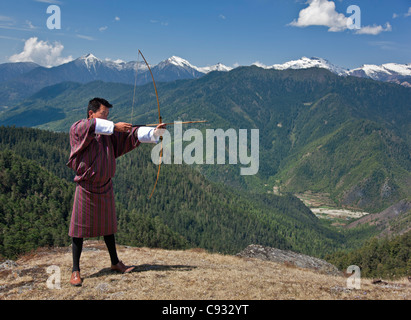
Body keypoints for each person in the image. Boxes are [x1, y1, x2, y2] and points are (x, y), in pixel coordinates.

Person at [66, 97, 165, 286]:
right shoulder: (78, 129)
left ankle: (115, 263)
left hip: (105, 186)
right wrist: (113, 126)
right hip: (86, 186)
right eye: (103, 114)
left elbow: (131, 134)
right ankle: (75, 270)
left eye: (108, 115)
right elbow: (92, 126)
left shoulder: (107, 134)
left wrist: (154, 132)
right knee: (78, 230)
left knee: (108, 228)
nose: (107, 119)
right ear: (91, 114)